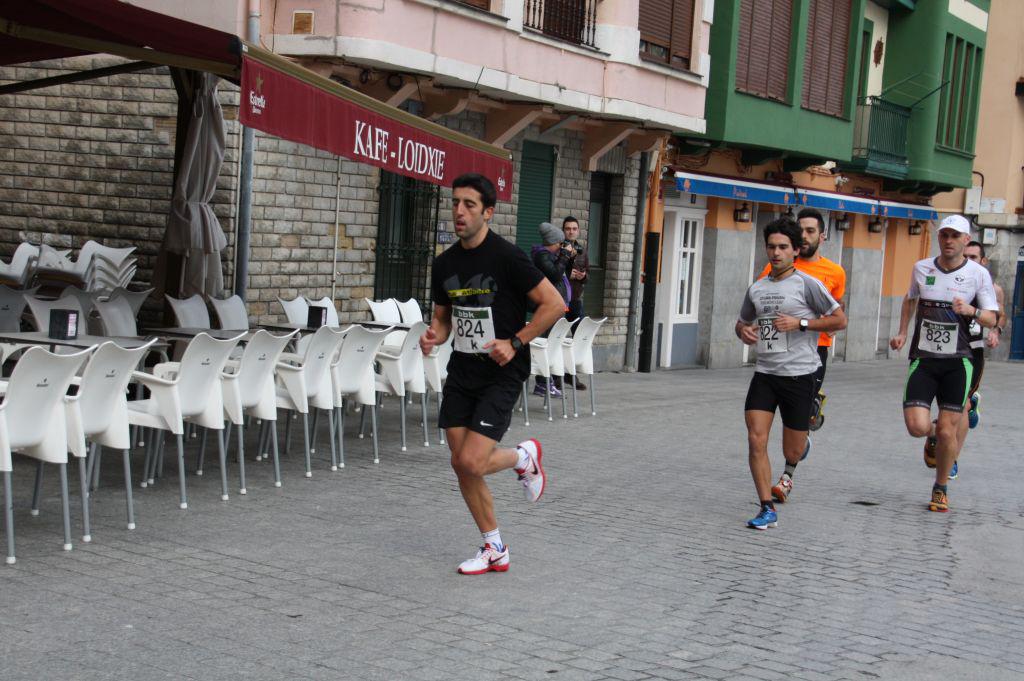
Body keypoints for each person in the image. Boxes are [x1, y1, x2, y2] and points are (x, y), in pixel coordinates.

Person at [420, 173, 565, 575]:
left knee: (472, 460)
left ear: (488, 212)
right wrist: (434, 336)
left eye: (469, 204)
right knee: (461, 462)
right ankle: (494, 547)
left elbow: (555, 304)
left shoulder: (507, 257)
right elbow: (443, 318)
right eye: (455, 203)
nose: (459, 211)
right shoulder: (444, 263)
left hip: (502, 371)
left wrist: (516, 341)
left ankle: (523, 457)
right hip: (462, 369)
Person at [736, 216, 846, 529]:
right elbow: (741, 322)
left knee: (792, 449)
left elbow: (840, 320)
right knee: (756, 439)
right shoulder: (757, 288)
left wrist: (802, 324)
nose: (776, 253)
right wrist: (743, 331)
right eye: (771, 247)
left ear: (795, 250)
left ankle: (801, 443)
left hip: (800, 375)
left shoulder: (808, 285)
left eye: (783, 247)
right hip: (765, 374)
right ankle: (766, 507)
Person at [889, 215, 998, 513]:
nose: (948, 240)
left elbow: (992, 318)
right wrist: (902, 332)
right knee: (916, 426)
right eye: (944, 235)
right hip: (924, 360)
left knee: (950, 431)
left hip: (958, 362)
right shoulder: (922, 268)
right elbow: (910, 299)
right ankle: (934, 434)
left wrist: (971, 310)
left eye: (955, 236)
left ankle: (940, 487)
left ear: (966, 240)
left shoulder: (978, 274)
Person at [758, 208, 846, 430]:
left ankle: (812, 407)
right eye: (800, 230)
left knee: (801, 415)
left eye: (810, 231)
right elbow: (761, 299)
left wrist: (831, 323)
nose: (804, 236)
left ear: (822, 236)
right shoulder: (775, 265)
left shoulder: (835, 272)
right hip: (778, 346)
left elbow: (837, 304)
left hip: (815, 347)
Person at [962, 240, 1006, 431]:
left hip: (973, 351)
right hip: (949, 350)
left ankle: (969, 405)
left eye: (973, 257)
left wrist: (996, 331)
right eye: (965, 256)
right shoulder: (952, 282)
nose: (968, 260)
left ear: (983, 261)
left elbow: (1001, 315)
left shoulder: (993, 289)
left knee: (961, 405)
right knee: (950, 403)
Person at [530, 221, 572, 396]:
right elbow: (555, 275)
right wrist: (564, 255)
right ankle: (542, 384)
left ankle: (548, 382)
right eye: (560, 243)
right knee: (546, 344)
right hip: (548, 307)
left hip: (556, 307)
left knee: (552, 344)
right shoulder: (542, 256)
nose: (562, 247)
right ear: (553, 242)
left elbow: (562, 272)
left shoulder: (551, 256)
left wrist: (567, 256)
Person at [562, 216, 589, 390]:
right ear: (563, 230)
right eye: (568, 229)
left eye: (574, 229)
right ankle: (554, 376)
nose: (571, 232)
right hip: (560, 300)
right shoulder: (559, 248)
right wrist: (567, 274)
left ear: (578, 231)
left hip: (576, 300)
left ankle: (570, 373)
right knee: (556, 337)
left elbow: (588, 274)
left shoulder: (582, 251)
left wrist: (583, 276)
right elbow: (552, 272)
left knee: (580, 337)